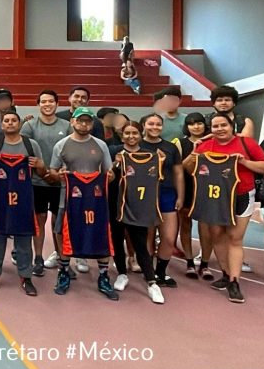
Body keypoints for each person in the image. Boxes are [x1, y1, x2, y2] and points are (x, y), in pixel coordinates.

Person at [190, 113, 264, 304]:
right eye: (215, 126)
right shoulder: (205, 146)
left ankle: (234, 282)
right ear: (211, 129)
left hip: (242, 194)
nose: (220, 129)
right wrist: (194, 155)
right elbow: (191, 169)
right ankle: (226, 274)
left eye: (223, 125)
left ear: (232, 126)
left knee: (235, 238)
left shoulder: (246, 143)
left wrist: (244, 162)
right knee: (217, 235)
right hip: (216, 196)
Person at [48, 107, 116, 300]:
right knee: (63, 232)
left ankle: (103, 275)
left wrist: (109, 177)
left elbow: (109, 174)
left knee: (100, 233)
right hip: (68, 198)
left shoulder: (100, 145)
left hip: (96, 200)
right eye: (80, 120)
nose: (84, 124)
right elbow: (52, 171)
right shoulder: (61, 145)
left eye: (88, 121)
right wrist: (59, 175)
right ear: (73, 122)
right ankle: (64, 271)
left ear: (92, 124)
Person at [0, 109, 45, 296]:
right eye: (6, 121)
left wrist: (41, 166)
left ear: (19, 124)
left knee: (24, 239)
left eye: (13, 120)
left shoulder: (31, 145)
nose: (10, 123)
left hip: (24, 200)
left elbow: (41, 173)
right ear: (2, 125)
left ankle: (26, 277)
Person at [109, 121, 166, 304]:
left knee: (140, 242)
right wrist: (115, 164)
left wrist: (161, 162)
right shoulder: (114, 151)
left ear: (141, 135)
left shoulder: (150, 156)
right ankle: (121, 273)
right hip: (115, 203)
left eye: (135, 133)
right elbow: (108, 175)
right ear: (122, 135)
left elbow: (157, 179)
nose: (131, 136)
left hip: (138, 205)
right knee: (116, 239)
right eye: (127, 133)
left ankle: (151, 282)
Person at [21, 89, 69, 276]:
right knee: (39, 220)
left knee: (59, 222)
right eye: (43, 101)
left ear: (57, 104)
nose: (47, 104)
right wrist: (43, 173)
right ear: (38, 104)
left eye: (50, 101)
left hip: (60, 182)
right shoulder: (29, 126)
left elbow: (70, 151)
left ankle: (62, 259)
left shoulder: (66, 126)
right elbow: (25, 152)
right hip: (37, 182)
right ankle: (39, 258)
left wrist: (55, 174)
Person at [137, 113, 184, 287]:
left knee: (169, 238)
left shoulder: (170, 147)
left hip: (167, 195)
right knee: (148, 237)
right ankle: (149, 272)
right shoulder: (137, 146)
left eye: (158, 124)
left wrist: (181, 196)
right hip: (145, 195)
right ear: (144, 125)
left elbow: (178, 174)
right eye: (151, 124)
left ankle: (161, 272)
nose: (155, 127)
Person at [175, 113, 214, 280]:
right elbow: (179, 168)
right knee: (185, 224)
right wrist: (193, 153)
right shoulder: (180, 143)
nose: (196, 127)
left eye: (199, 123)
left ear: (205, 125)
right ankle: (189, 262)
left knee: (206, 227)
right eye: (191, 124)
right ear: (187, 126)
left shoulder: (213, 142)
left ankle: (205, 264)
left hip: (207, 189)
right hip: (187, 187)